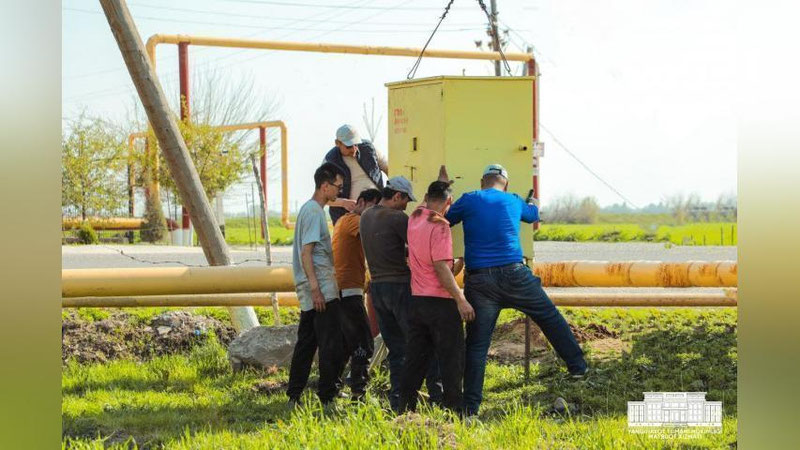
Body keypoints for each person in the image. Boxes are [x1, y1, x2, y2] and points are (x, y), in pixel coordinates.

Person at [445, 164, 588, 417]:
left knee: (477, 345)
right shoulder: (513, 200)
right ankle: (577, 366)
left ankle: (470, 408)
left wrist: (445, 190)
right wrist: (533, 200)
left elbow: (447, 218)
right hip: (515, 274)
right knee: (549, 317)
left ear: (482, 181)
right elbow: (533, 215)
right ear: (506, 184)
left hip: (480, 280)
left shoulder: (469, 199)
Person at [359, 176, 443, 412]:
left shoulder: (367, 216)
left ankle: (399, 400)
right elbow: (418, 244)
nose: (406, 206)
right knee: (422, 342)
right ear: (397, 195)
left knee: (397, 349)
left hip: (378, 289)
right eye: (405, 200)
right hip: (400, 288)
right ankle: (437, 396)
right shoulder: (397, 218)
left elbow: (389, 244)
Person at [398, 181, 476, 415]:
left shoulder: (415, 217)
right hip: (441, 304)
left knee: (416, 359)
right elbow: (441, 267)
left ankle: (405, 408)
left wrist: (442, 177)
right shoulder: (441, 225)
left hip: (418, 301)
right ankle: (455, 411)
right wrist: (460, 299)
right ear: (449, 202)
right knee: (451, 359)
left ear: (425, 196)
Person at [286, 163, 347, 407]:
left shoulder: (309, 210)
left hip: (314, 288)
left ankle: (295, 393)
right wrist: (316, 289)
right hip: (320, 288)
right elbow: (306, 253)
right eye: (337, 187)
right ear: (325, 186)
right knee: (329, 342)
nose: (339, 192)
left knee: (308, 342)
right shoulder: (313, 212)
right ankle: (327, 393)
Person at [331, 187, 382, 401]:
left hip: (346, 288)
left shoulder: (345, 221)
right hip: (348, 290)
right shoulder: (353, 220)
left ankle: (332, 388)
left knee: (345, 343)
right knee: (363, 342)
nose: (374, 214)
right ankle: (358, 391)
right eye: (373, 207)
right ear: (360, 202)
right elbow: (373, 239)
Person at [323, 124, 388, 225]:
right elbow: (323, 196)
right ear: (337, 143)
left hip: (377, 212)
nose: (354, 149)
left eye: (356, 144)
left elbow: (388, 168)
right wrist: (343, 203)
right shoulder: (330, 162)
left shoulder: (369, 149)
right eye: (349, 146)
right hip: (348, 219)